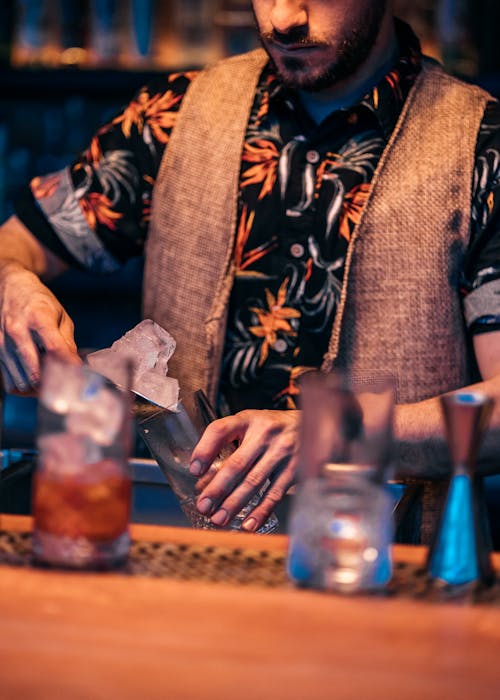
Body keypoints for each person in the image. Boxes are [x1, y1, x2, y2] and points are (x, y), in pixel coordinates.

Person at [1, 0, 500, 535]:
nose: (282, 19)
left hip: (384, 573)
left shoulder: (481, 146)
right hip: (186, 559)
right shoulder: (171, 114)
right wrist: (12, 286)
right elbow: (16, 247)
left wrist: (337, 433)